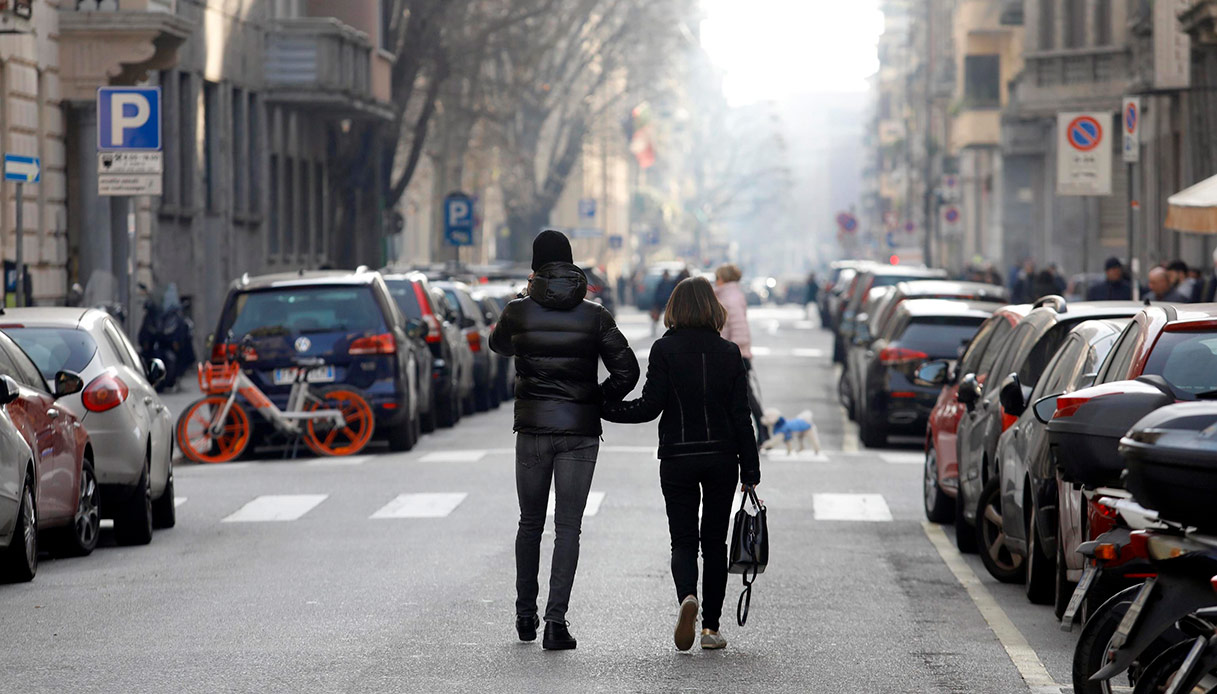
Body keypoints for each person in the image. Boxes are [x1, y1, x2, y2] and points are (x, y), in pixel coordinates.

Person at [489, 229, 640, 651]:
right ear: (572, 265)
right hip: (579, 434)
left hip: (533, 431)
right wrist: (595, 399)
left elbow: (497, 345)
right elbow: (628, 372)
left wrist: (522, 302)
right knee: (568, 528)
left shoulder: (518, 311)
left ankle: (524, 615)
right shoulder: (595, 314)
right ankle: (556, 624)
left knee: (529, 524)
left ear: (536, 267)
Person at [601, 276, 761, 653]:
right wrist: (750, 471)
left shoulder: (664, 350)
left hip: (677, 457)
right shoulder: (729, 353)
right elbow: (742, 417)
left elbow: (649, 407)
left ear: (675, 308)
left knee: (683, 541)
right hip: (722, 459)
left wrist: (606, 408)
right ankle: (710, 629)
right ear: (713, 309)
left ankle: (688, 597)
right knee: (715, 544)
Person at [713, 264, 768, 445]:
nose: (716, 280)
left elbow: (738, 328)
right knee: (741, 395)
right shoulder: (729, 295)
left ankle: (762, 428)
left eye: (718, 277)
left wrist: (732, 351)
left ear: (724, 279)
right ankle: (759, 429)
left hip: (734, 354)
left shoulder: (730, 297)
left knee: (743, 396)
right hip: (734, 352)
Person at [652, 270, 676, 336]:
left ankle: (671, 328)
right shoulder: (661, 283)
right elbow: (657, 294)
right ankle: (654, 329)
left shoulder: (670, 283)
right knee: (656, 318)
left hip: (667, 301)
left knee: (670, 317)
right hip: (661, 301)